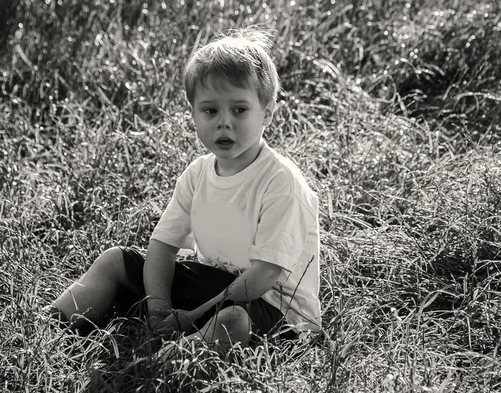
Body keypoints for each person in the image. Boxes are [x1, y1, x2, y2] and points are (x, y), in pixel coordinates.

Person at [47, 27, 321, 354]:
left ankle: (166, 365)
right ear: (192, 114)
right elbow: (162, 246)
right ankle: (46, 327)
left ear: (268, 113)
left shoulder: (281, 182)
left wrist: (191, 317)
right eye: (210, 110)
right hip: (215, 286)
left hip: (276, 311)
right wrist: (160, 310)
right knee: (115, 261)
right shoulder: (198, 173)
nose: (224, 122)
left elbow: (264, 274)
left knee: (232, 321)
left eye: (239, 109)